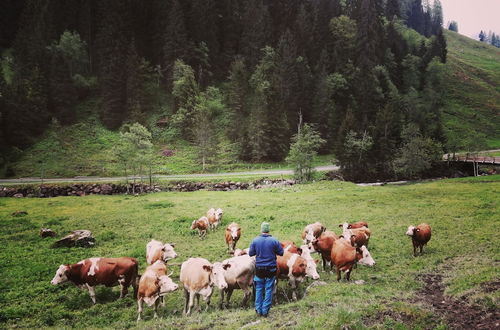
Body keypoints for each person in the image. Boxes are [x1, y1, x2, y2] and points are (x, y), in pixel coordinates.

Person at [248, 222, 284, 317]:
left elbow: (251, 253)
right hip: (271, 269)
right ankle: (265, 311)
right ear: (268, 230)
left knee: (259, 288)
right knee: (269, 289)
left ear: (261, 230)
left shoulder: (255, 240)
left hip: (259, 269)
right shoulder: (274, 240)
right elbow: (281, 253)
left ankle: (258, 310)